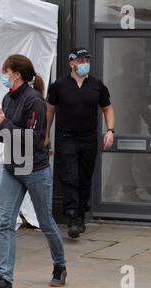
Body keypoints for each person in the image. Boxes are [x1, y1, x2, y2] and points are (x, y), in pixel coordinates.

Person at [0, 54, 67, 288]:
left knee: (45, 222)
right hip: (11, 169)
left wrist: (3, 123)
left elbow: (32, 138)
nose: (3, 77)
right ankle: (4, 279)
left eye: (5, 72)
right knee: (6, 223)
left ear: (16, 74)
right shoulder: (7, 99)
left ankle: (60, 265)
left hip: (35, 169)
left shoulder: (35, 101)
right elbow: (3, 137)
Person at [45, 48, 115, 239]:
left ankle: (81, 214)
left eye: (87, 60)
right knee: (69, 177)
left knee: (84, 177)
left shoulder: (97, 85)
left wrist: (110, 130)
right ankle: (72, 218)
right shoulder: (59, 85)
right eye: (81, 60)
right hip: (65, 137)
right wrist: (46, 135)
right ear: (72, 63)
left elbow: (107, 109)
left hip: (88, 138)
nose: (85, 63)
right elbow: (49, 111)